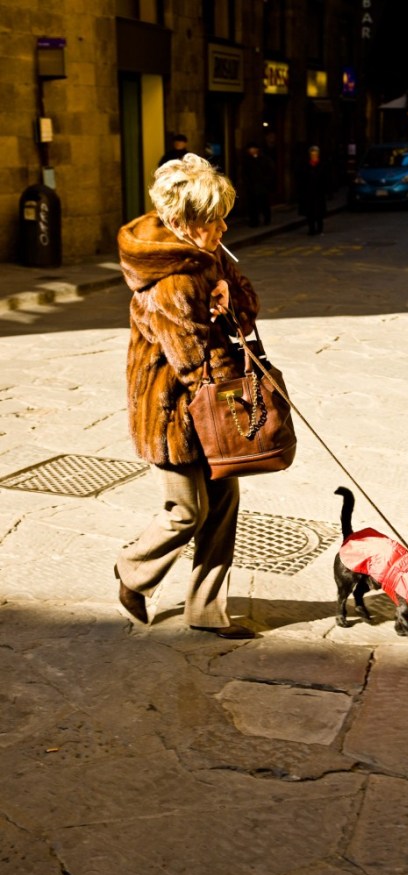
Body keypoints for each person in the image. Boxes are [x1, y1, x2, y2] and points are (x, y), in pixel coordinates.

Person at [114, 154, 259, 639]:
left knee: (224, 503)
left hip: (206, 404)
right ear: (180, 223)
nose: (222, 226)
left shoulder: (207, 253)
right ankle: (132, 571)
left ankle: (206, 609)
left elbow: (246, 303)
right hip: (171, 412)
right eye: (212, 219)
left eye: (222, 216)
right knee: (187, 511)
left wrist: (230, 298)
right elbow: (193, 359)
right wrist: (239, 402)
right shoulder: (172, 279)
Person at [242, 142, 274, 227]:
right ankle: (254, 221)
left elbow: (270, 171)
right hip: (251, 186)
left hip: (262, 186)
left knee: (264, 203)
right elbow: (245, 173)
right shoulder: (247, 160)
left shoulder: (264, 159)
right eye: (250, 149)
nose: (252, 151)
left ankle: (267, 218)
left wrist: (266, 181)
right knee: (252, 205)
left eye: (253, 149)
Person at [298, 145, 328, 235]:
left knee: (319, 213)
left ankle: (320, 229)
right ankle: (311, 229)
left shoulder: (322, 164)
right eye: (312, 154)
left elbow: (326, 178)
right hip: (308, 192)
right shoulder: (305, 165)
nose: (314, 156)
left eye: (315, 154)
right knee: (310, 212)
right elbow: (302, 178)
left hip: (319, 192)